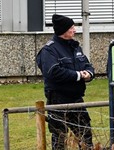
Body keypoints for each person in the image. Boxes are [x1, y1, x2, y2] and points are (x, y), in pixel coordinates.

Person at [36, 14, 94, 150]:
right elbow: (53, 72)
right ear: (63, 31)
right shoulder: (49, 50)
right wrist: (79, 75)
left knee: (85, 135)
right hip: (58, 99)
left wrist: (89, 74)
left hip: (76, 98)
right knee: (60, 137)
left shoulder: (75, 47)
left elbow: (87, 65)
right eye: (72, 28)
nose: (75, 30)